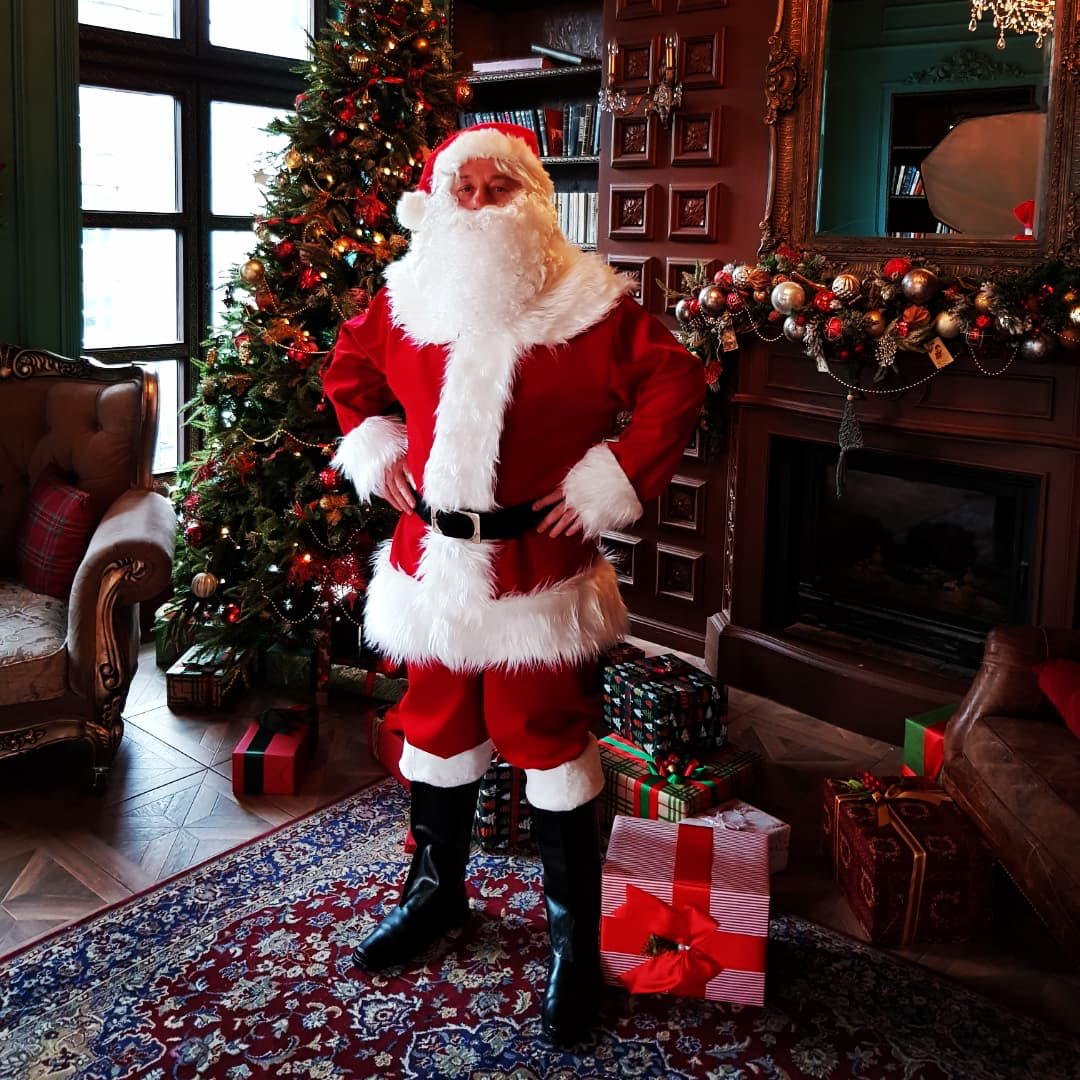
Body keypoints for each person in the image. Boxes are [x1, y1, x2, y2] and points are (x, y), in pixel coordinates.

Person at [323, 121, 705, 1046]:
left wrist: (613, 476)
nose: (481, 206)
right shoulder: (408, 296)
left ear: (534, 199)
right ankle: (434, 892)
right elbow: (349, 370)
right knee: (436, 730)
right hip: (430, 565)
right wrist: (375, 445)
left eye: (500, 190)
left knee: (546, 741)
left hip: (535, 573)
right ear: (439, 203)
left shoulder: (589, 305)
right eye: (465, 191)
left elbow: (677, 382)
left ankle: (573, 938)